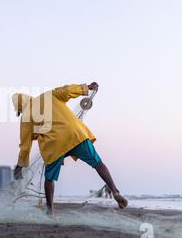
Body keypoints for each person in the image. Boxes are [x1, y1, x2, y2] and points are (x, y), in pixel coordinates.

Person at [12, 82, 128, 216]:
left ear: (21, 107)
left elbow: (25, 145)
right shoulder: (48, 95)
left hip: (54, 144)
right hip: (75, 134)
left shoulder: (26, 116)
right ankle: (115, 191)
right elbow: (67, 91)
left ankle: (50, 211)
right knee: (98, 163)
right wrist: (87, 88)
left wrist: (20, 166)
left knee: (49, 179)